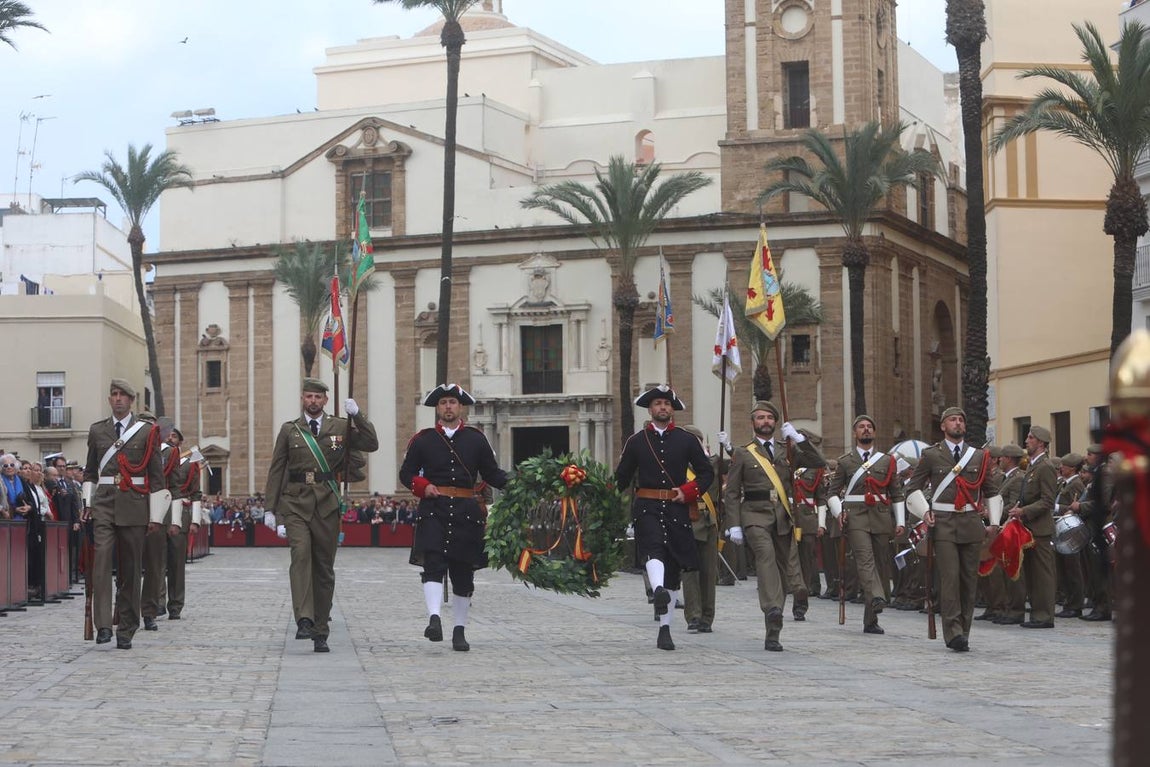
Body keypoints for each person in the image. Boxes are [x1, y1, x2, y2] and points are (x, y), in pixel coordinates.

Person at [264, 378, 379, 653]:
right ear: (302, 399)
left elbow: (372, 443)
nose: (313, 401)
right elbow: (277, 469)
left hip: (326, 504)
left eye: (318, 397)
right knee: (301, 554)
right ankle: (304, 618)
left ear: (325, 400)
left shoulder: (340, 427)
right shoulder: (290, 430)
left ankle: (320, 629)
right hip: (295, 503)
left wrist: (357, 416)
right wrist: (270, 509)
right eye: (308, 396)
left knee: (324, 568)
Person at [400, 383, 508, 652]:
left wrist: (516, 482)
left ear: (461, 408)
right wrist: (422, 486)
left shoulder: (476, 439)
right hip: (434, 510)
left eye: (452, 403)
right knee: (433, 564)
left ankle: (459, 630)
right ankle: (434, 618)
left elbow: (492, 474)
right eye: (444, 402)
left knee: (463, 573)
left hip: (465, 513)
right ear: (437, 408)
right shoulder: (422, 439)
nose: (448, 407)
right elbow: (407, 473)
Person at [614, 385, 713, 651]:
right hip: (646, 506)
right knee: (653, 547)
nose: (663, 408)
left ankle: (665, 628)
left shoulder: (686, 440)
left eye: (667, 404)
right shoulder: (636, 442)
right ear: (650, 409)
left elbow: (706, 473)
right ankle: (657, 590)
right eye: (658, 403)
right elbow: (621, 478)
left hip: (677, 508)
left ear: (672, 410)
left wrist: (688, 491)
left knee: (673, 566)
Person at [723, 401, 824, 652]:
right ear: (753, 423)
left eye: (769, 417)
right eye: (760, 417)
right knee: (765, 557)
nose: (765, 421)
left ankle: (773, 632)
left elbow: (818, 462)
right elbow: (733, 492)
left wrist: (799, 439)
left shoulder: (787, 450)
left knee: (784, 568)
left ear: (775, 422)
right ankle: (773, 608)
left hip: (783, 516)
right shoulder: (744, 453)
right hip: (754, 515)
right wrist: (733, 524)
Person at [905, 407, 1002, 652]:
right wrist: (924, 511)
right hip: (944, 522)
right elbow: (913, 487)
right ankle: (953, 632)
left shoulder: (979, 456)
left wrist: (994, 523)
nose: (957, 423)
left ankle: (964, 630)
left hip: (970, 523)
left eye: (961, 420)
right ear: (943, 426)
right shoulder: (931, 455)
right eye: (952, 420)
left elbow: (991, 491)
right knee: (949, 579)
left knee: (969, 580)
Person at [81, 379, 169, 650]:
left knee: (131, 569)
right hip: (105, 503)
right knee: (102, 561)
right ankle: (104, 625)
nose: (117, 399)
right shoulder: (98, 431)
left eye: (123, 395)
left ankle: (127, 627)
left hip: (134, 504)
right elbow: (90, 471)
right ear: (110, 400)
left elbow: (156, 477)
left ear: (131, 400)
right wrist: (87, 502)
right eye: (114, 395)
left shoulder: (146, 432)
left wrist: (156, 516)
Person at [825, 415, 906, 635]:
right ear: (855, 433)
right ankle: (878, 596)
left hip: (880, 516)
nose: (866, 429)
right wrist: (838, 513)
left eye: (870, 427)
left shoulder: (886, 461)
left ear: (875, 433)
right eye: (861, 427)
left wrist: (900, 521)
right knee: (864, 557)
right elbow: (832, 493)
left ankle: (871, 619)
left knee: (880, 563)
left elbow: (897, 494)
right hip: (855, 516)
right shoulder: (845, 461)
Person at [1008, 424, 1058, 629]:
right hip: (1028, 529)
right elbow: (1028, 495)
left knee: (1043, 575)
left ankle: (1044, 615)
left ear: (1041, 442)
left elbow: (1047, 500)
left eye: (1030, 437)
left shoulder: (1045, 466)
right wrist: (1018, 507)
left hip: (1040, 529)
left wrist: (1024, 511)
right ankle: (1037, 613)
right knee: (1033, 574)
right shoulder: (1032, 466)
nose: (1026, 440)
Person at [679, 425, 719, 634]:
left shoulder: (712, 463)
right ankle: (693, 615)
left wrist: (727, 446)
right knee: (690, 572)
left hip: (709, 522)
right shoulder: (678, 466)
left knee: (708, 573)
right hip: (687, 521)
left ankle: (707, 617)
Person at [164, 427, 203, 620]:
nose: (170, 439)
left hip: (181, 512)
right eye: (168, 436)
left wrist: (195, 520)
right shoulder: (158, 458)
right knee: (155, 562)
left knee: (176, 564)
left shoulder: (189, 462)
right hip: (159, 510)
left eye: (174, 436)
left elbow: (196, 492)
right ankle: (156, 603)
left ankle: (175, 604)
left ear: (180, 441)